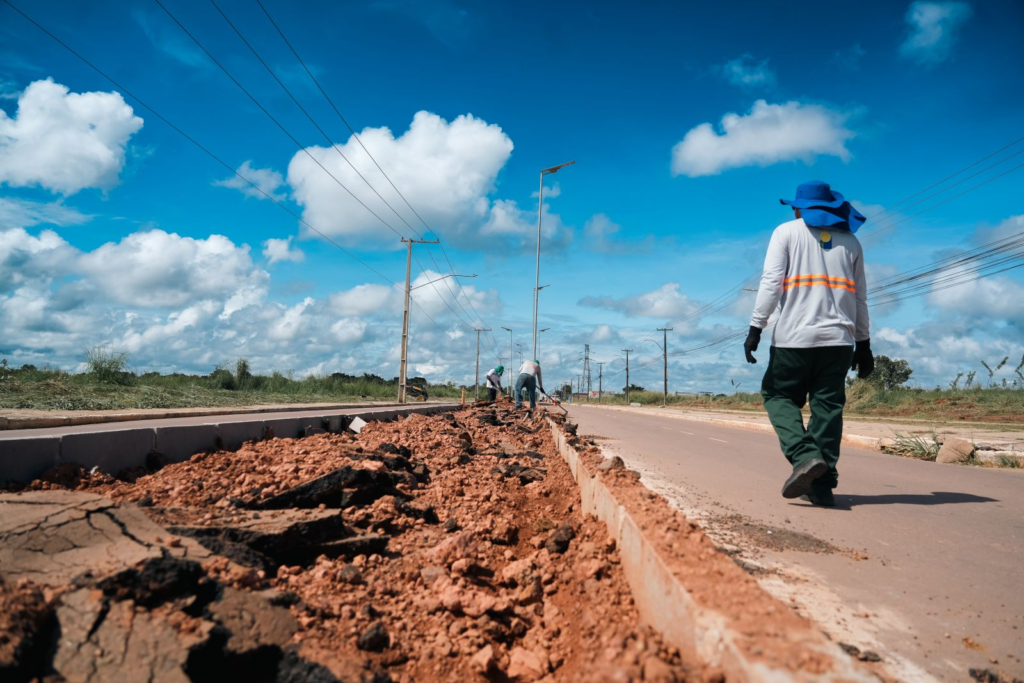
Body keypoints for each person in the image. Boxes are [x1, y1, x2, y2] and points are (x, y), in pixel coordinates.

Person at [744, 181, 874, 507]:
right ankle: (823, 484)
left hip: (794, 339)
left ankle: (804, 456)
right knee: (827, 409)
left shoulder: (786, 232)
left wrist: (756, 327)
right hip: (839, 342)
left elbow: (771, 283)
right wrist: (864, 344)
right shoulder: (852, 242)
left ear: (799, 207)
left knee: (778, 395)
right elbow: (860, 298)